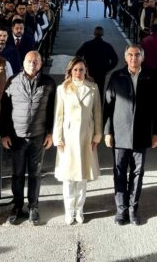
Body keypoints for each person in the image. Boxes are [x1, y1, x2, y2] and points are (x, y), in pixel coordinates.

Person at [103, 45, 157, 226]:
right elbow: (108, 106)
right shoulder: (116, 76)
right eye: (130, 55)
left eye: (137, 55)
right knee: (119, 172)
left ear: (142, 57)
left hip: (142, 134)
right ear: (125, 57)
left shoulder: (151, 77)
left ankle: (133, 209)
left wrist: (156, 132)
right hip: (120, 134)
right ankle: (121, 210)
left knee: (137, 173)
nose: (134, 58)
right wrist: (107, 131)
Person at [1, 51, 56, 225]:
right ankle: (17, 206)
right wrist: (4, 133)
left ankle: (33, 206)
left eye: (36, 61)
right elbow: (5, 109)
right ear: (24, 63)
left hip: (38, 137)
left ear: (41, 63)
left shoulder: (48, 83)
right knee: (17, 174)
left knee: (35, 174)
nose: (33, 64)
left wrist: (50, 133)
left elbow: (53, 110)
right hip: (17, 136)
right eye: (29, 61)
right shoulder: (13, 81)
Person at [52, 57, 102, 225]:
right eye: (75, 70)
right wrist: (58, 137)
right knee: (68, 177)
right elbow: (59, 115)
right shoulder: (62, 89)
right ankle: (69, 210)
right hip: (68, 137)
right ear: (70, 71)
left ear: (86, 70)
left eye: (81, 69)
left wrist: (97, 135)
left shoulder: (93, 88)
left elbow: (97, 113)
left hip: (86, 136)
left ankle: (79, 209)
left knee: (82, 177)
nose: (78, 73)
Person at [75, 26, 119, 99]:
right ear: (102, 34)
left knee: (88, 90)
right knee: (99, 90)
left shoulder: (87, 44)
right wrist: (108, 69)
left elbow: (77, 55)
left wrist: (83, 67)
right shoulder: (107, 46)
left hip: (89, 71)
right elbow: (115, 59)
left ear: (94, 33)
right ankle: (99, 104)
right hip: (101, 73)